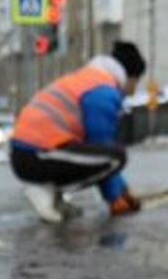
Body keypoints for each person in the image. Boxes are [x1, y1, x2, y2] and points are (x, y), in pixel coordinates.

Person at [9, 40, 146, 223]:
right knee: (116, 157)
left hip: (27, 154)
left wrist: (123, 189)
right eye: (136, 82)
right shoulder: (103, 92)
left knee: (106, 157)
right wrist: (115, 198)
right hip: (38, 154)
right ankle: (44, 189)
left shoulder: (89, 78)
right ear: (130, 76)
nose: (134, 90)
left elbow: (93, 154)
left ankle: (54, 199)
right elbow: (101, 147)